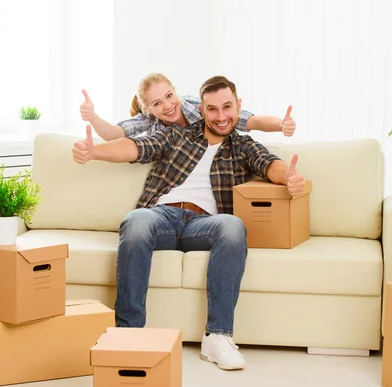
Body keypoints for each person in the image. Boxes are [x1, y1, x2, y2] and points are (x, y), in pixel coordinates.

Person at [72, 75, 306, 371]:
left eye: (227, 108)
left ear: (238, 107)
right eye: (212, 109)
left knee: (233, 226)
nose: (221, 117)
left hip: (204, 224)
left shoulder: (243, 146)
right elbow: (134, 147)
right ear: (201, 109)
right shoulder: (175, 135)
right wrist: (94, 152)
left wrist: (291, 178)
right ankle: (128, 334)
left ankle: (218, 337)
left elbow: (270, 164)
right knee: (135, 221)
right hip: (161, 216)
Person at [79, 72, 296, 141]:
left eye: (169, 95)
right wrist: (93, 117)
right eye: (157, 103)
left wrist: (281, 124)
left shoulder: (197, 106)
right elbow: (115, 134)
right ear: (147, 109)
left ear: (175, 89)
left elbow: (249, 121)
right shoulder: (148, 120)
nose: (167, 105)